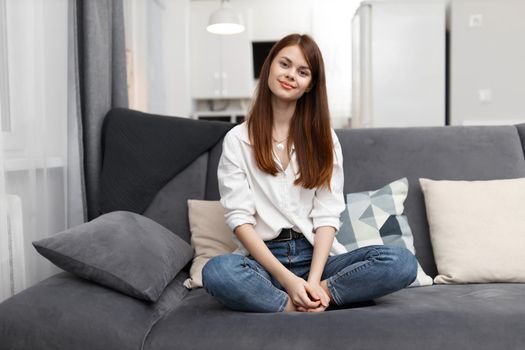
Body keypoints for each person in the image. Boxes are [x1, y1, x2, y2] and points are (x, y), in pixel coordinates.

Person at [202, 33, 417, 313]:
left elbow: (327, 214)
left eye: (303, 72)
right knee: (217, 272)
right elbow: (239, 219)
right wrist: (289, 281)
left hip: (317, 257)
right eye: (285, 64)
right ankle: (294, 303)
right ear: (269, 67)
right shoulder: (237, 139)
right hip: (265, 262)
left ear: (310, 85)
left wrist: (314, 281)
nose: (291, 75)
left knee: (402, 262)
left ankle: (314, 296)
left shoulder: (324, 138)